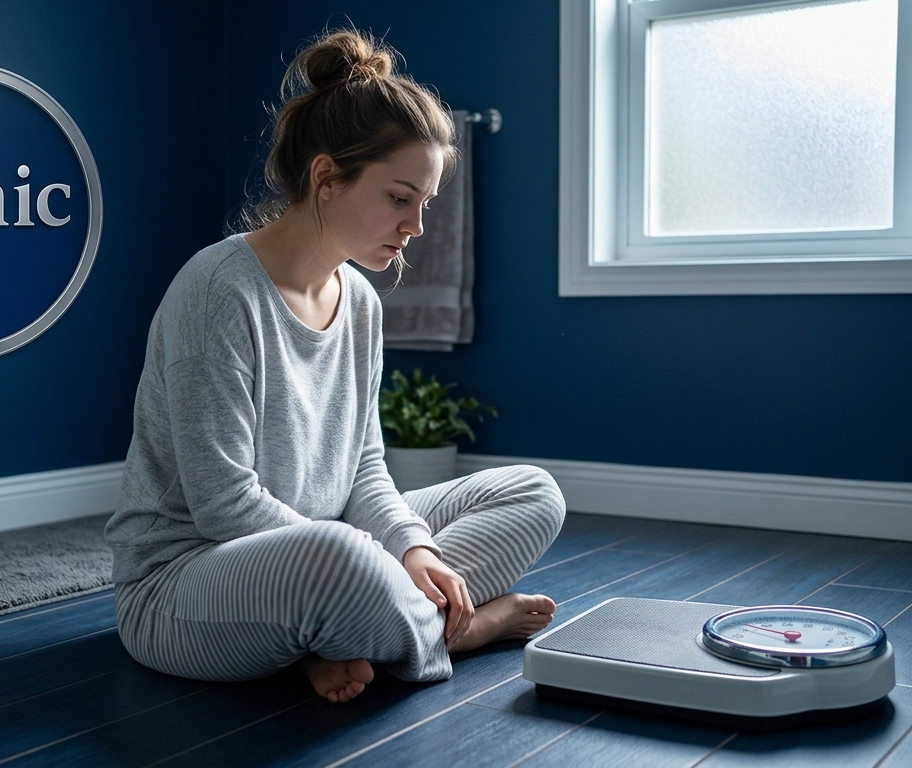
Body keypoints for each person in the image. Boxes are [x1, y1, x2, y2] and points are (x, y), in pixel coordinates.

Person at [104, 28, 566, 704]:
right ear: (325, 178)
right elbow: (224, 505)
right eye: (399, 197)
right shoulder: (217, 291)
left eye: (426, 204)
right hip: (183, 586)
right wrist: (374, 563)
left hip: (325, 551)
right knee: (343, 559)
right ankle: (451, 634)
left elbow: (364, 468)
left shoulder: (359, 302)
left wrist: (414, 551)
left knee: (533, 492)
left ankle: (350, 631)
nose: (416, 226)